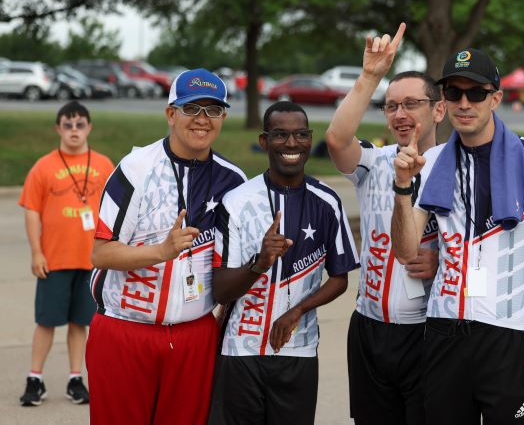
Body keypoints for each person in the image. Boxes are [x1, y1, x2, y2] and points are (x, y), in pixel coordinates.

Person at [391, 47, 524, 424]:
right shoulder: (432, 161)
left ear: (496, 98)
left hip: (505, 333)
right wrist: (402, 187)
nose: (464, 103)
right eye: (453, 93)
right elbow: (406, 251)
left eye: (476, 93)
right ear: (444, 101)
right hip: (442, 331)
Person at [87, 68, 247, 425]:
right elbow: (101, 252)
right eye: (192, 109)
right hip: (126, 330)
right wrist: (161, 251)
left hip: (194, 335)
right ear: (171, 114)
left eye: (214, 110)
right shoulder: (135, 168)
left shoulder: (234, 180)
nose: (203, 120)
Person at [208, 101, 359, 425]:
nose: (292, 144)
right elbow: (220, 291)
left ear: (309, 139)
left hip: (298, 352)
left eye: (300, 135)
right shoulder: (237, 202)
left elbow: (340, 278)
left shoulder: (327, 202)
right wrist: (260, 262)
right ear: (264, 141)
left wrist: (297, 311)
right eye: (280, 135)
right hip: (240, 351)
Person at [325, 23, 444, 425]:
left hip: (429, 333)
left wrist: (440, 261)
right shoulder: (376, 161)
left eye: (411, 104)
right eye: (391, 106)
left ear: (438, 110)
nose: (400, 114)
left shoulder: (457, 166)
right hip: (370, 328)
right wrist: (369, 77)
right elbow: (338, 141)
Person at [18, 101, 114, 407]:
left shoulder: (103, 164)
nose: (74, 130)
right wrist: (36, 252)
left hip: (92, 260)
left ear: (89, 128)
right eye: (68, 125)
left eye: (80, 124)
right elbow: (32, 212)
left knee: (80, 322)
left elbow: (116, 211)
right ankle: (35, 378)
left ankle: (76, 378)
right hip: (55, 259)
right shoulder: (43, 167)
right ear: (58, 129)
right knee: (46, 321)